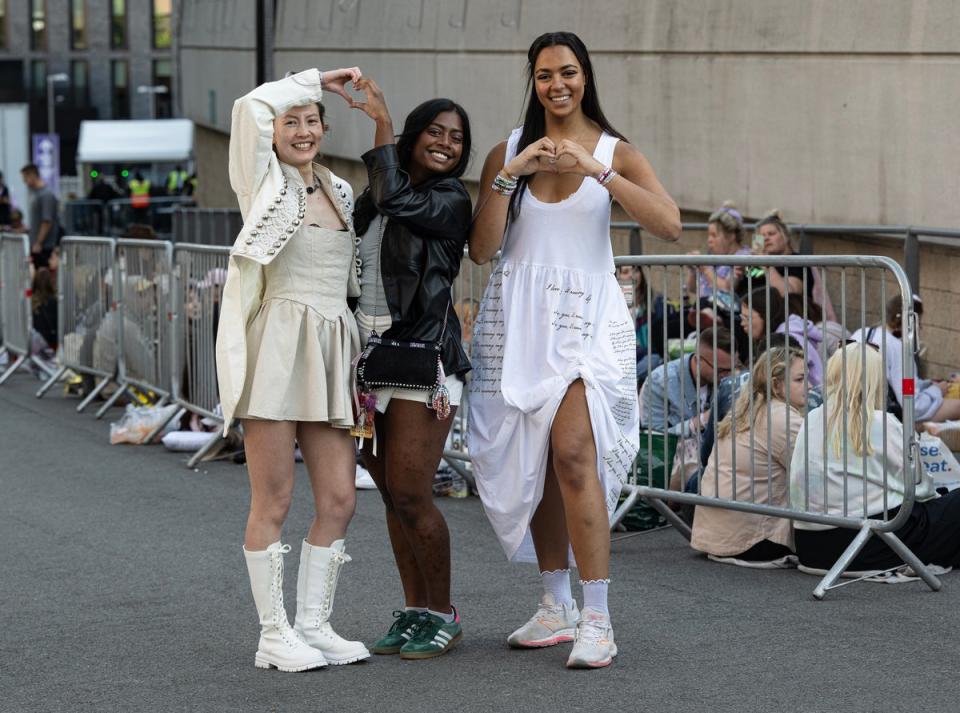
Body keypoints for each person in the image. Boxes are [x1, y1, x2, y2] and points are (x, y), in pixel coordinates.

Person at [468, 31, 681, 669]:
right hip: (520, 322)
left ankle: (599, 617)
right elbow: (481, 250)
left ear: (585, 76)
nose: (556, 85)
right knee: (537, 458)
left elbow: (668, 224)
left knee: (572, 450)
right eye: (543, 75)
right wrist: (511, 174)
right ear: (531, 82)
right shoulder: (509, 151)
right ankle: (555, 604)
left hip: (586, 322)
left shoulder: (617, 151)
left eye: (567, 72)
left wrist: (601, 172)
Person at [215, 66, 370, 673]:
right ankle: (273, 634)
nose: (303, 131)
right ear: (274, 131)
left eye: (312, 121)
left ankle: (313, 623)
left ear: (325, 129)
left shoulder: (341, 189)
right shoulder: (262, 183)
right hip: (277, 344)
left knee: (338, 498)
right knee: (273, 499)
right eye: (292, 121)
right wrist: (315, 80)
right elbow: (248, 107)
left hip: (333, 346)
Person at [348, 81, 473, 660]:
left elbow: (399, 200)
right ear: (416, 138)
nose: (446, 143)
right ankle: (415, 610)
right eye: (435, 132)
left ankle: (443, 612)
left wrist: (381, 124)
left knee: (413, 493)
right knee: (392, 497)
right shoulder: (375, 196)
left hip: (423, 361)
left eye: (456, 138)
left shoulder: (449, 200)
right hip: (369, 360)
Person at [790, 343, 960, 571]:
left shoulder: (812, 419)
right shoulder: (881, 422)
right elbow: (917, 486)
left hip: (813, 546)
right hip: (871, 543)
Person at [691, 345, 807, 561]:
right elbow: (814, 473)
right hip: (753, 540)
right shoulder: (781, 418)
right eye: (800, 380)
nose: (809, 386)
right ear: (776, 384)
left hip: (716, 534)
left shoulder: (744, 409)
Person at [849, 294, 960, 424]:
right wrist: (936, 391)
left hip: (851, 408)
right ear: (913, 323)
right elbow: (912, 403)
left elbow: (901, 383)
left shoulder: (862, 332)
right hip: (883, 418)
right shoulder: (897, 348)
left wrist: (927, 384)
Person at [641, 326, 739, 437]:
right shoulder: (659, 383)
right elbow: (654, 440)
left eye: (732, 368)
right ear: (698, 360)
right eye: (720, 370)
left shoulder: (732, 379)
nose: (727, 375)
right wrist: (700, 422)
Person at [739, 287, 825, 386]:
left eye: (747, 318)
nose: (742, 323)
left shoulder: (786, 340)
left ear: (766, 316)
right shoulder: (782, 335)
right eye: (742, 317)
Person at [685, 201, 749, 300]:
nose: (709, 240)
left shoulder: (743, 257)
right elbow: (693, 289)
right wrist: (693, 269)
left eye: (714, 235)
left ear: (731, 236)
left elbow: (726, 290)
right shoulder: (712, 257)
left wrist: (704, 268)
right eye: (709, 235)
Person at [20, 164, 60, 269]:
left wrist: (38, 242)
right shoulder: (35, 194)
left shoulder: (46, 195)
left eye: (25, 178)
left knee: (43, 277)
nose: (24, 182)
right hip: (37, 245)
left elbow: (47, 221)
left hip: (45, 246)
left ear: (33, 175)